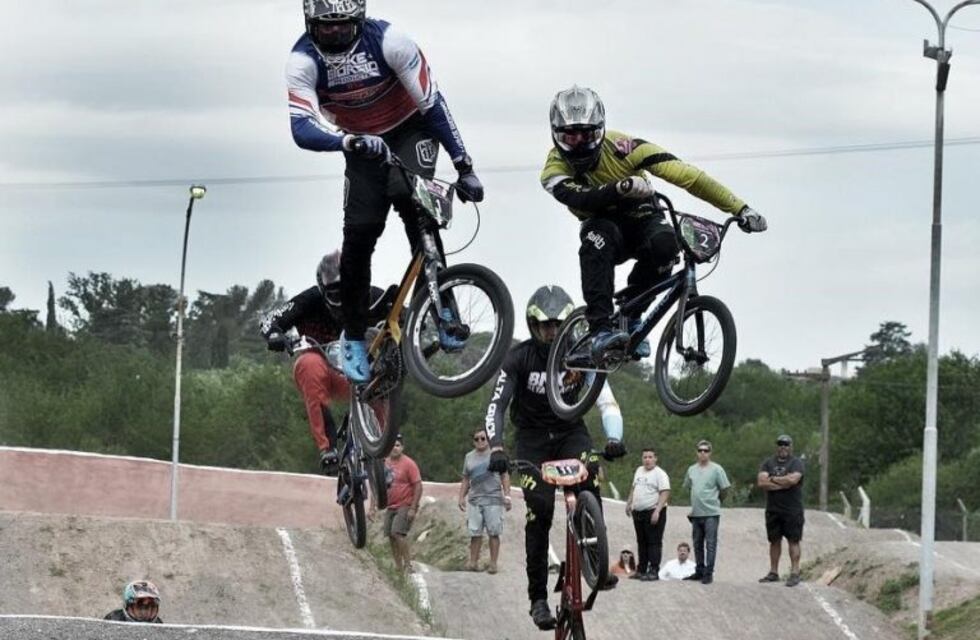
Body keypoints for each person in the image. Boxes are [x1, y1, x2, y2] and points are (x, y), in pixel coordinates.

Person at [287, 0, 485, 383]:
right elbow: (301, 128)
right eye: (324, 28)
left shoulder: (392, 42)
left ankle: (445, 310)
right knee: (359, 232)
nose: (333, 35)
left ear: (359, 20)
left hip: (411, 130)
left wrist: (465, 165)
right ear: (309, 24)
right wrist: (345, 143)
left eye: (343, 27)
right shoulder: (303, 61)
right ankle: (355, 335)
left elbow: (433, 105)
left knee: (412, 201)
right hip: (361, 143)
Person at [539, 86, 766, 362]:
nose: (579, 143)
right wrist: (621, 187)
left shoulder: (625, 147)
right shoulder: (553, 167)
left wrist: (740, 207)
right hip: (600, 222)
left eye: (586, 135)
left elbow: (688, 176)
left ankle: (633, 315)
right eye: (569, 137)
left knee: (666, 245)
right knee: (597, 239)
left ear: (600, 129)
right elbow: (578, 197)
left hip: (641, 215)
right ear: (556, 134)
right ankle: (599, 328)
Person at [484, 285, 626, 631]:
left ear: (567, 325)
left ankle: (596, 559)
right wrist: (498, 447)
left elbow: (606, 399)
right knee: (541, 510)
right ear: (533, 325)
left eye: (557, 324)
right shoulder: (519, 358)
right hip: (531, 440)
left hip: (569, 432)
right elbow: (496, 405)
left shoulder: (581, 355)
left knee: (589, 476)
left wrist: (614, 438)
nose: (550, 331)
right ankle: (538, 599)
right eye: (544, 325)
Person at [261, 251, 390, 472]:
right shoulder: (309, 300)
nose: (342, 301)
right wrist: (275, 335)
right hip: (325, 370)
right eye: (335, 294)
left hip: (359, 369)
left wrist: (413, 324)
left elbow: (402, 311)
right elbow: (271, 319)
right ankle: (327, 447)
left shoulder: (370, 295)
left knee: (383, 369)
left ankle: (384, 454)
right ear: (322, 289)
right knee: (308, 364)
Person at [458, 427, 512, 574]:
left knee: (494, 532)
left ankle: (493, 564)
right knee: (475, 533)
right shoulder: (469, 457)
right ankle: (473, 562)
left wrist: (507, 495)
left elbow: (505, 475)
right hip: (475, 500)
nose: (480, 441)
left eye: (483, 438)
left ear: (488, 439)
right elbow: (466, 478)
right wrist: (461, 496)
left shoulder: (496, 455)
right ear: (473, 441)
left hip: (493, 499)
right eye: (477, 439)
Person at [757, 434, 806, 587]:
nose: (783, 447)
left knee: (793, 540)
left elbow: (793, 480)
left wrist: (772, 479)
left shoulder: (796, 463)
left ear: (791, 446)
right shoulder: (768, 463)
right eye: (780, 444)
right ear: (776, 446)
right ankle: (773, 572)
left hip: (792, 509)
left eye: (786, 444)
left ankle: (795, 572)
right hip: (773, 509)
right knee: (774, 541)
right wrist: (782, 482)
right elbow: (761, 482)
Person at [681, 439, 731, 584]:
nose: (703, 453)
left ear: (710, 453)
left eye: (706, 450)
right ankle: (699, 570)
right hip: (696, 513)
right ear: (696, 452)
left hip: (711, 512)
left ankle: (709, 572)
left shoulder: (717, 469)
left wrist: (717, 501)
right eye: (700, 450)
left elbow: (725, 488)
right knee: (697, 543)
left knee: (710, 543)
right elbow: (689, 486)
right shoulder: (691, 469)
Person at [625, 447, 670, 581]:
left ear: (655, 458)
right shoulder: (639, 471)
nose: (647, 460)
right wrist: (629, 503)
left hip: (653, 510)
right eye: (645, 457)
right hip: (638, 511)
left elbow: (665, 492)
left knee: (653, 542)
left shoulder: (659, 473)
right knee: (642, 541)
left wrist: (657, 510)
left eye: (650, 457)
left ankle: (654, 570)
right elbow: (634, 487)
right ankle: (641, 569)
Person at [385, 434, 422, 572]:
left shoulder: (409, 464)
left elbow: (418, 485)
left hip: (405, 504)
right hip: (390, 505)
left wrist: (413, 508)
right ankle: (398, 566)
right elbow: (377, 485)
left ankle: (408, 565)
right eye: (392, 445)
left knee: (397, 533)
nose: (394, 448)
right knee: (390, 536)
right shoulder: (384, 463)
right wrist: (372, 507)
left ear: (402, 447)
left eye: (397, 445)